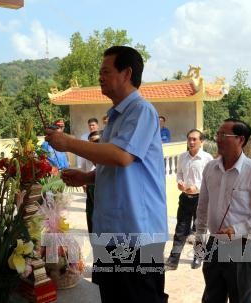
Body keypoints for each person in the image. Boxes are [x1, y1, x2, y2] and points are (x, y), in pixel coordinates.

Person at [45, 46, 168, 302]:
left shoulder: (141, 111)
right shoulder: (115, 117)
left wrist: (67, 142)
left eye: (105, 71)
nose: (100, 77)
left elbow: (122, 157)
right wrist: (89, 177)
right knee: (112, 296)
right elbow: (118, 165)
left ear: (127, 73)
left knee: (138, 297)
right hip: (112, 231)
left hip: (136, 235)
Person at [196, 118, 251, 303]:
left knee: (242, 298)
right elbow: (203, 205)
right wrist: (200, 237)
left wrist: (238, 229)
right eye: (217, 134)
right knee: (211, 297)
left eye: (223, 135)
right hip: (215, 243)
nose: (217, 139)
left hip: (244, 247)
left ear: (240, 139)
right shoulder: (210, 168)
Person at [166, 129, 213, 270]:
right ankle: (173, 260)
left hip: (201, 199)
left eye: (194, 139)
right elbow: (179, 173)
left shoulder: (207, 158)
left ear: (201, 142)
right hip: (185, 198)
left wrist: (196, 187)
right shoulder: (182, 157)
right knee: (181, 228)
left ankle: (198, 257)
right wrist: (180, 183)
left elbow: (210, 180)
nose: (191, 142)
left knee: (200, 229)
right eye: (189, 139)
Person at [84, 130, 102, 233]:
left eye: (97, 143)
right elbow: (90, 213)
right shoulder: (91, 182)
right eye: (90, 145)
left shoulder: (114, 176)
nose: (93, 148)